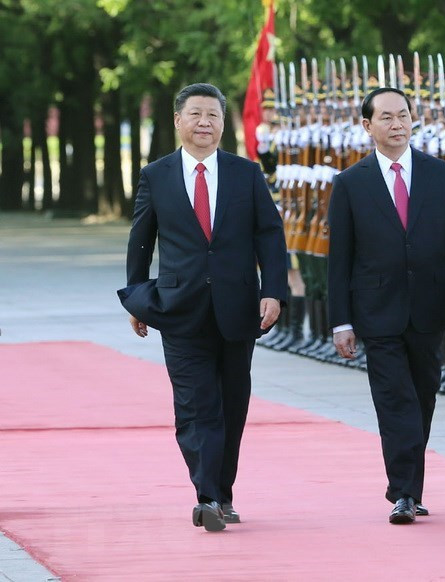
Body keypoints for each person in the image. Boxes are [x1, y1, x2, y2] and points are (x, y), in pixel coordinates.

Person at [118, 82, 288, 532]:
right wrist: (136, 297)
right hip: (179, 307)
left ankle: (223, 492)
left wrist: (273, 290)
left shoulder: (245, 173)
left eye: (212, 116)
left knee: (232, 406)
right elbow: (141, 239)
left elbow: (270, 234)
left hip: (239, 308)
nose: (204, 124)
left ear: (222, 124)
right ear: (178, 121)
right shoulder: (156, 175)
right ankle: (207, 496)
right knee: (195, 407)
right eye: (195, 115)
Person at [327, 87, 445, 524]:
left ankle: (410, 487)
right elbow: (339, 259)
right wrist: (341, 320)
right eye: (387, 118)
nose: (397, 125)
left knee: (422, 396)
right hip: (377, 310)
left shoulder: (441, 175)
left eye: (404, 116)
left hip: (430, 307)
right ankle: (404, 492)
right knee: (394, 399)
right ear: (367, 126)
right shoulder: (351, 184)